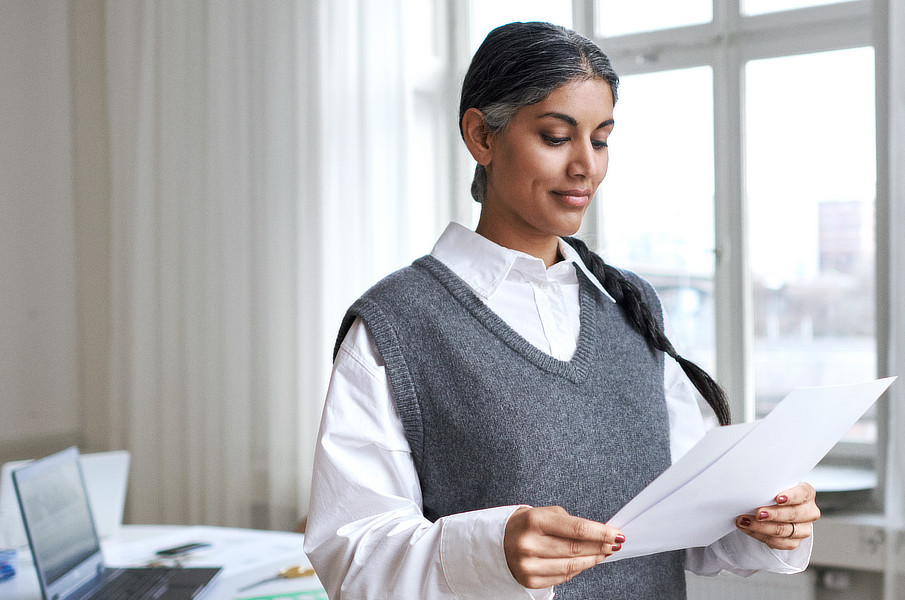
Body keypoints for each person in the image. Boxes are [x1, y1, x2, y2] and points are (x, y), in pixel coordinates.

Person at [303, 21, 818, 599]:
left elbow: (687, 520)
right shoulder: (396, 325)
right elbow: (349, 554)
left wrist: (768, 521)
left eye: (600, 140)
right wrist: (490, 550)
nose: (586, 167)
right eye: (556, 136)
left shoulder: (631, 308)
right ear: (481, 137)